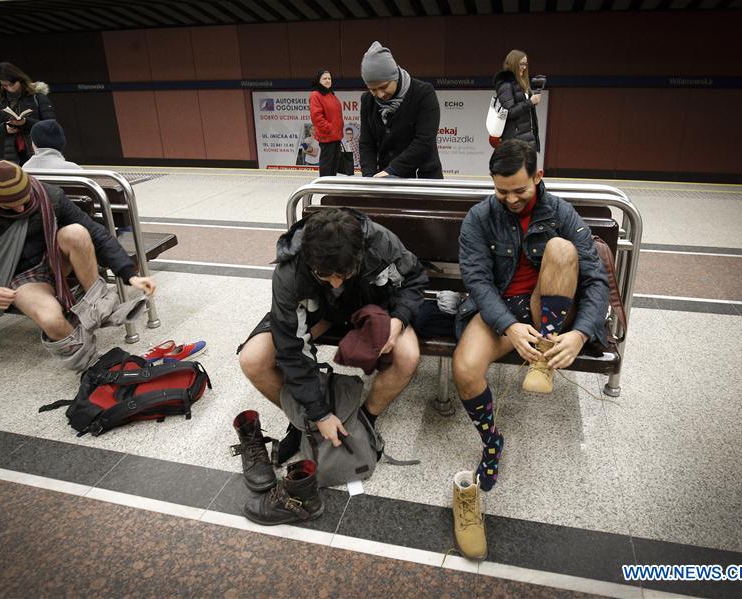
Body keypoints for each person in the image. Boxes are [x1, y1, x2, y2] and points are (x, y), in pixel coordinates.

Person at [452, 140, 609, 491]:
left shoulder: (561, 213)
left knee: (560, 248)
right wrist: (508, 325)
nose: (510, 199)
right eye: (501, 191)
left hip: (549, 308)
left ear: (538, 176)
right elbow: (477, 281)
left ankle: (545, 354)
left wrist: (580, 333)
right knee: (464, 368)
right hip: (502, 309)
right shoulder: (479, 217)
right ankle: (492, 443)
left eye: (519, 189)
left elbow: (597, 280)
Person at [236, 208, 427, 492]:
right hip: (316, 314)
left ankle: (364, 420)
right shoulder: (291, 269)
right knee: (253, 359)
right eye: (325, 275)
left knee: (408, 355)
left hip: (369, 308)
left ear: (359, 256)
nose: (336, 282)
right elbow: (291, 347)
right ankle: (303, 421)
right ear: (310, 262)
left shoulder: (380, 243)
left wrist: (398, 320)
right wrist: (319, 414)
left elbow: (414, 280)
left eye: (344, 274)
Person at [0, 161, 156, 371]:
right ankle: (91, 365)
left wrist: (129, 274)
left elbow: (94, 232)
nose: (19, 210)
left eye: (23, 203)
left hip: (52, 261)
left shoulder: (47, 194)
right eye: (8, 207)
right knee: (51, 321)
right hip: (15, 276)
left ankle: (96, 307)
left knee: (76, 232)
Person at [358, 41, 442, 179]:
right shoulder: (367, 100)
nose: (379, 94)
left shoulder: (423, 93)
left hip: (423, 176)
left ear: (394, 77)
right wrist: (369, 178)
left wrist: (392, 170)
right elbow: (367, 143)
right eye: (373, 89)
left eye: (384, 87)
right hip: (385, 179)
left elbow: (424, 140)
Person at [0, 62, 56, 165]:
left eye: (12, 84)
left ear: (20, 80)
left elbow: (51, 125)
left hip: (38, 150)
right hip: (14, 153)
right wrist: (6, 128)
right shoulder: (2, 101)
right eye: (4, 85)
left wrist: (25, 122)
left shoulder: (37, 96)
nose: (9, 88)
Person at [492, 50, 540, 151]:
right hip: (514, 138)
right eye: (521, 64)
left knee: (527, 166)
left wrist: (531, 102)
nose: (524, 67)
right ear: (513, 63)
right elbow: (509, 112)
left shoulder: (523, 84)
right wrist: (530, 102)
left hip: (526, 136)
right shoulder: (506, 84)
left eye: (525, 64)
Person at [308, 69, 344, 177]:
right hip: (327, 137)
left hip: (336, 137)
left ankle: (331, 187)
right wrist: (330, 129)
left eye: (329, 78)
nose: (328, 80)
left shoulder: (331, 94)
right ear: (319, 80)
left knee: (334, 166)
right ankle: (324, 187)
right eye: (324, 78)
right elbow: (317, 117)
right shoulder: (316, 95)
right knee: (326, 167)